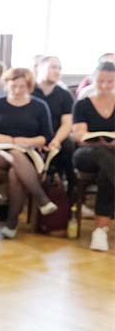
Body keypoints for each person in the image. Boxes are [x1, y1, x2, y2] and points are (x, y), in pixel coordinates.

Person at [0, 67, 57, 239]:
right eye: (14, 86)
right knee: (13, 153)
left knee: (16, 172)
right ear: (7, 85)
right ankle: (41, 198)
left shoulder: (39, 106)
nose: (17, 90)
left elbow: (46, 137)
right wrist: (4, 138)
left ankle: (12, 223)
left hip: (29, 153)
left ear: (28, 86)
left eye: (22, 86)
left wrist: (26, 141)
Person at [72, 61, 115, 251]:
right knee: (103, 154)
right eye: (101, 81)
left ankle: (100, 230)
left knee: (107, 167)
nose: (105, 86)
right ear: (93, 79)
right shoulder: (83, 104)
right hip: (86, 154)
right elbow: (79, 136)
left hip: (111, 156)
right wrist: (95, 140)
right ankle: (100, 230)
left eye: (110, 81)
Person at [33, 55, 75, 193]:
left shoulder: (64, 95)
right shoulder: (28, 91)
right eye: (53, 67)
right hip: (31, 136)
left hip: (55, 137)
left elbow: (67, 123)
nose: (57, 71)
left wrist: (56, 140)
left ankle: (68, 191)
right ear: (39, 68)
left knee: (68, 144)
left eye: (59, 68)